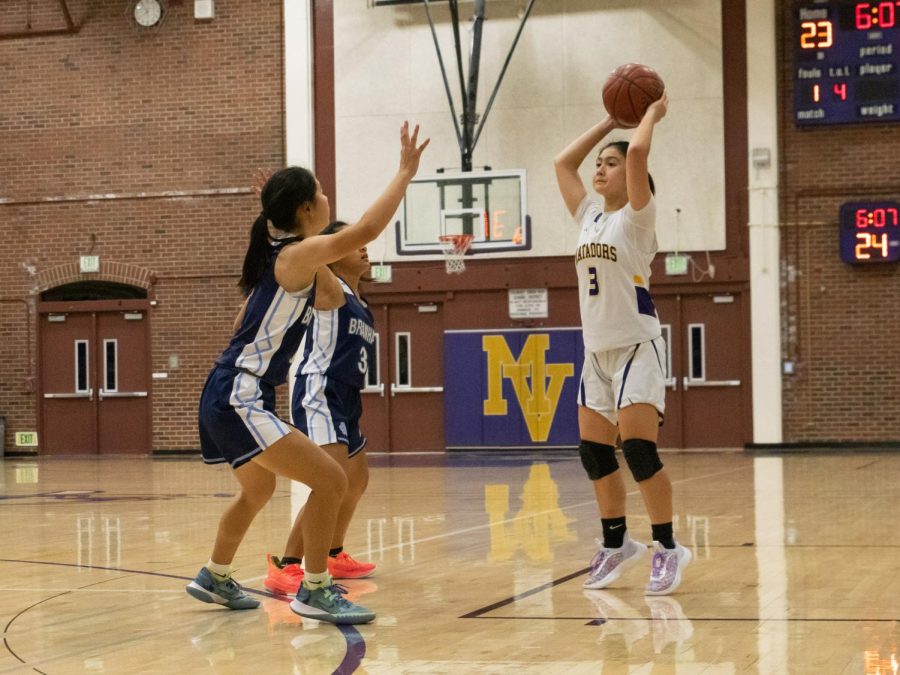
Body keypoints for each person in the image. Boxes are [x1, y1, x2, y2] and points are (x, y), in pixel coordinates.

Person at [185, 122, 429, 624]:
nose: (325, 198)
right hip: (239, 394)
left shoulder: (284, 260)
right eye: (319, 193)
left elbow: (240, 326)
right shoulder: (296, 256)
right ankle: (314, 588)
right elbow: (363, 231)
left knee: (258, 490)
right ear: (304, 211)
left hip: (228, 389)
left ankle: (215, 574)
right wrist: (404, 173)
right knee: (332, 480)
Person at [553, 92, 691, 595]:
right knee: (594, 454)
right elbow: (562, 162)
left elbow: (637, 155)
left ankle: (668, 548)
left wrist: (649, 115)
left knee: (638, 450)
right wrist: (608, 120)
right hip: (597, 351)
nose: (601, 168)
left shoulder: (636, 219)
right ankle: (617, 545)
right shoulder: (588, 217)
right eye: (600, 164)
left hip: (636, 345)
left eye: (609, 163)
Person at [264, 220, 378, 595]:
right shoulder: (328, 284)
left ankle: (331, 552)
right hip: (320, 390)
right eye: (351, 241)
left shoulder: (361, 302)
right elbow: (307, 250)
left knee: (357, 479)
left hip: (347, 394)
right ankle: (288, 564)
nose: (362, 247)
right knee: (328, 481)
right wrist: (284, 218)